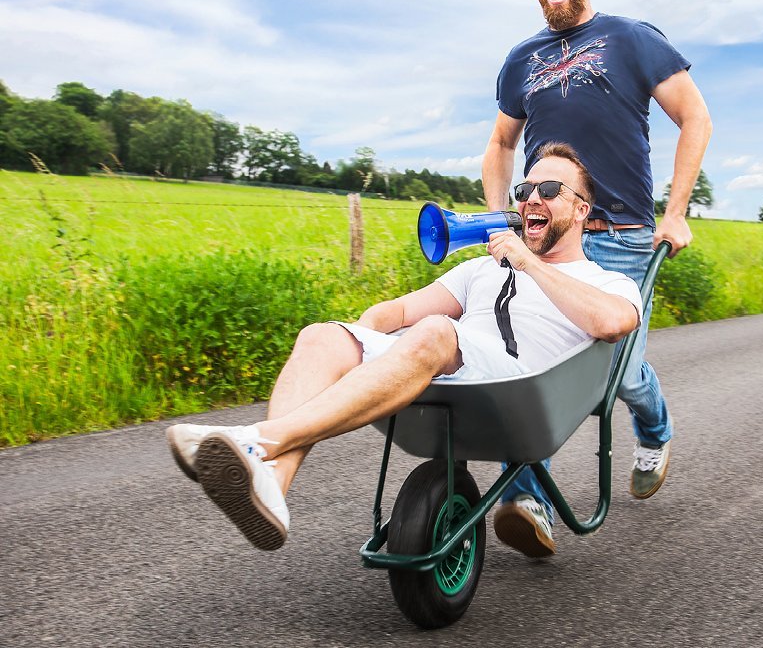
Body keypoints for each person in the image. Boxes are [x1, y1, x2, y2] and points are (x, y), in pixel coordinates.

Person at [165, 143, 642, 554]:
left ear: (582, 210)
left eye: (550, 190)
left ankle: (258, 440)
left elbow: (613, 323)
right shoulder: (481, 269)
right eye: (525, 189)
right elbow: (394, 312)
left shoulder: (606, 282)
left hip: (521, 393)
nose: (531, 199)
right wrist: (360, 342)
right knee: (321, 335)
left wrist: (528, 264)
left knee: (436, 331)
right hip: (455, 370)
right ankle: (273, 481)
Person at [482, 0, 713, 545]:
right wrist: (503, 213)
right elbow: (500, 143)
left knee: (619, 374)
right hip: (548, 232)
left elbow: (695, 117)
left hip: (624, 233)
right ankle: (527, 501)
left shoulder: (632, 38)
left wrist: (676, 212)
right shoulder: (522, 59)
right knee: (529, 361)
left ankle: (655, 431)